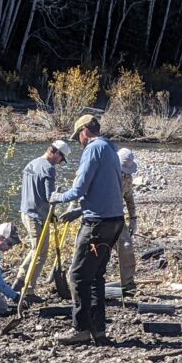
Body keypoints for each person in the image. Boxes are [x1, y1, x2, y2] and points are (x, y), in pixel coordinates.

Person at [48, 114, 123, 345]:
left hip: (97, 225)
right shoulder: (110, 148)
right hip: (114, 222)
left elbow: (79, 188)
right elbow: (104, 190)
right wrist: (80, 211)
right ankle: (98, 330)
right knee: (96, 276)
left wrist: (57, 197)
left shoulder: (93, 149)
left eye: (78, 136)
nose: (78, 141)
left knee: (78, 275)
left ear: (84, 132)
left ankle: (81, 329)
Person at [13, 140, 71, 297]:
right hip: (37, 217)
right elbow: (49, 197)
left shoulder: (31, 164)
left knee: (35, 248)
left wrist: (51, 214)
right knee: (41, 253)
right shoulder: (48, 169)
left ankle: (20, 277)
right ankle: (29, 290)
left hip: (25, 212)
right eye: (61, 159)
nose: (60, 163)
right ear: (56, 153)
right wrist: (65, 196)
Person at [116, 147, 139, 296]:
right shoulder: (106, 175)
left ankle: (128, 283)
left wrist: (133, 219)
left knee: (126, 246)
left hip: (117, 216)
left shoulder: (128, 178)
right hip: (101, 215)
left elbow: (129, 199)